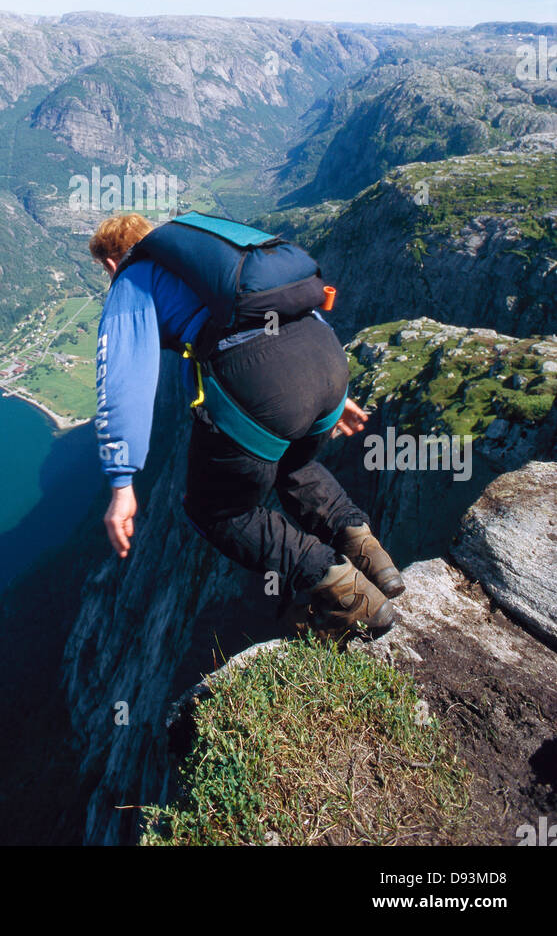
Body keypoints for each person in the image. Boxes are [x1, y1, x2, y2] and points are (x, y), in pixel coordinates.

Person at [90, 211, 405, 640]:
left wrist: (121, 480)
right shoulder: (212, 264)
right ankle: (366, 550)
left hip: (261, 383)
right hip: (325, 359)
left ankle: (343, 593)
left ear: (111, 259)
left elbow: (122, 377)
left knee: (217, 511)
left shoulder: (132, 277)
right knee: (290, 463)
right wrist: (332, 391)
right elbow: (287, 308)